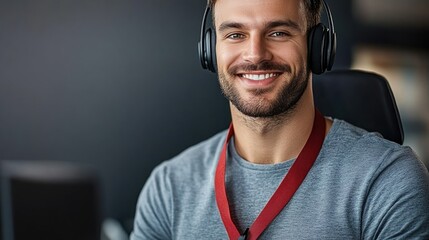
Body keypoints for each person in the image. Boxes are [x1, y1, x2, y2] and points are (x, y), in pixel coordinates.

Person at [130, 0, 429, 239]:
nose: (255, 54)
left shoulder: (387, 181)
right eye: (235, 34)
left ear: (316, 47)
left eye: (278, 32)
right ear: (210, 50)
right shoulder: (168, 189)